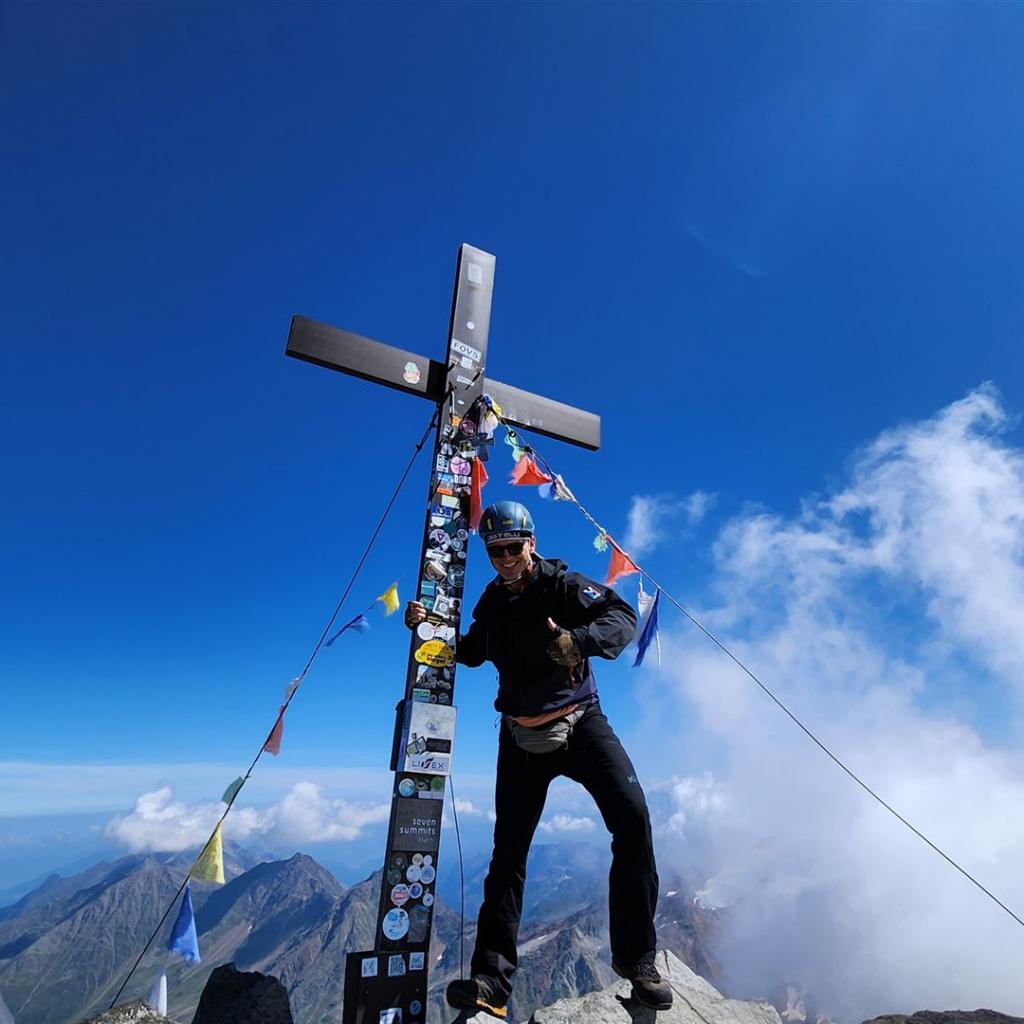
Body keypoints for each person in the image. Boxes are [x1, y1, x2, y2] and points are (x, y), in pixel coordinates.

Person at [404, 500, 672, 1017]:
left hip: (582, 724)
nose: (505, 558)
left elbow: (622, 616)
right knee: (508, 855)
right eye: (495, 550)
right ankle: (491, 983)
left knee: (633, 820)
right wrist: (430, 623)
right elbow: (473, 651)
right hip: (521, 739)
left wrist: (579, 641)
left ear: (531, 543)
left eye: (512, 547)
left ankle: (638, 961)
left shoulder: (564, 586)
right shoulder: (491, 602)